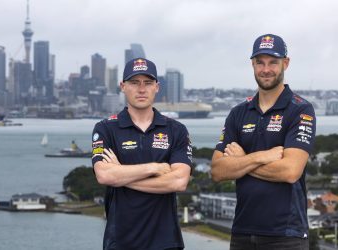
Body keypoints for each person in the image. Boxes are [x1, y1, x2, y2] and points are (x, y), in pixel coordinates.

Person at [211, 34, 316, 250]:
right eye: (260, 62)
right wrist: (260, 157)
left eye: (273, 62)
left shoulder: (300, 110)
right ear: (252, 65)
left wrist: (241, 162)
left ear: (285, 63)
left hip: (286, 235)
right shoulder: (238, 113)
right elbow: (218, 171)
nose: (266, 69)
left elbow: (290, 171)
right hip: (242, 232)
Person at [91, 58, 193, 250]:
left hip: (166, 243)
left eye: (147, 83)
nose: (141, 89)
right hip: (120, 242)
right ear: (122, 86)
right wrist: (154, 168)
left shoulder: (176, 130)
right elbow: (104, 175)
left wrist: (121, 174)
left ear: (157, 87)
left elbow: (178, 182)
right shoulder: (106, 128)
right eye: (134, 82)